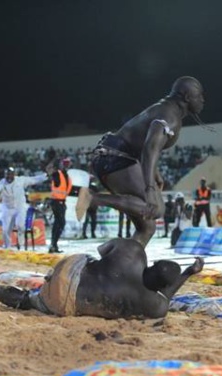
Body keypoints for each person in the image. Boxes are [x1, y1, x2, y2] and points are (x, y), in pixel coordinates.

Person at [86, 76, 205, 247]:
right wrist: (149, 188)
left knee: (147, 226)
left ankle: (118, 261)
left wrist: (154, 172)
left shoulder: (165, 109)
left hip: (112, 155)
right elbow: (150, 148)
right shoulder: (170, 117)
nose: (203, 100)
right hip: (115, 157)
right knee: (157, 208)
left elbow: (142, 143)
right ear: (186, 96)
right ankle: (92, 199)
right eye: (199, 95)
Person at [0, 238, 205, 319]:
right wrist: (188, 274)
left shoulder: (133, 251)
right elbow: (168, 295)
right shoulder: (155, 305)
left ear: (152, 263)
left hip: (70, 268)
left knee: (90, 258)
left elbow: (101, 250)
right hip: (67, 301)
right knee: (28, 301)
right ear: (161, 288)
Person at [0, 167, 48, 249]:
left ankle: (20, 244)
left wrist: (45, 175)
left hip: (20, 208)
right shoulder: (1, 183)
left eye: (10, 175)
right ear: (4, 175)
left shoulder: (21, 180)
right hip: (7, 208)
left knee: (20, 226)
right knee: (6, 230)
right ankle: (7, 247)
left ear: (14, 175)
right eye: (7, 175)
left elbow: (34, 179)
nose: (9, 177)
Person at [46, 158, 72, 253]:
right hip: (57, 202)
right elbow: (49, 171)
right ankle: (53, 244)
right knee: (60, 223)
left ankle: (54, 245)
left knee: (59, 224)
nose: (67, 166)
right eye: (66, 164)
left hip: (61, 202)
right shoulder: (58, 174)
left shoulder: (66, 176)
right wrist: (53, 164)